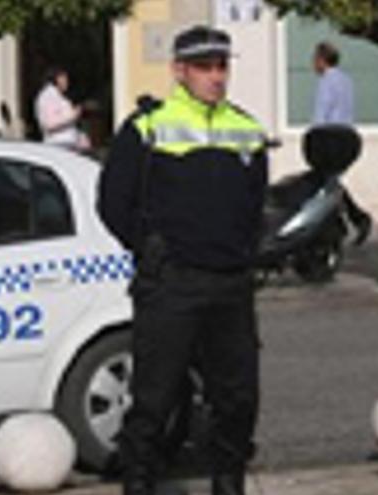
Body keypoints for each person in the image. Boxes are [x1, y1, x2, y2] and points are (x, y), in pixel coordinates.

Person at [97, 25, 267, 495]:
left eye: (222, 66)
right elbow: (113, 201)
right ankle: (138, 482)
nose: (216, 77)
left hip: (229, 286)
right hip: (171, 285)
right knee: (155, 398)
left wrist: (246, 253)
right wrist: (148, 246)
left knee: (237, 399)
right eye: (204, 67)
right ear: (179, 70)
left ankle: (228, 483)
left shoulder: (247, 130)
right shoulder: (146, 129)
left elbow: (255, 206)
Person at [310, 42, 371, 244]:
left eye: (315, 59)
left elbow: (322, 111)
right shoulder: (346, 80)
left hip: (330, 136)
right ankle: (345, 222)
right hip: (347, 135)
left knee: (324, 182)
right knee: (331, 182)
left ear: (321, 60)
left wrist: (313, 137)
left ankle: (356, 219)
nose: (313, 64)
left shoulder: (327, 81)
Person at [34, 67, 90, 151]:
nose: (67, 82)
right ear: (57, 78)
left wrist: (80, 138)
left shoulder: (56, 96)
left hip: (65, 144)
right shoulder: (49, 96)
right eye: (64, 78)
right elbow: (50, 123)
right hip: (58, 145)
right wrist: (73, 114)